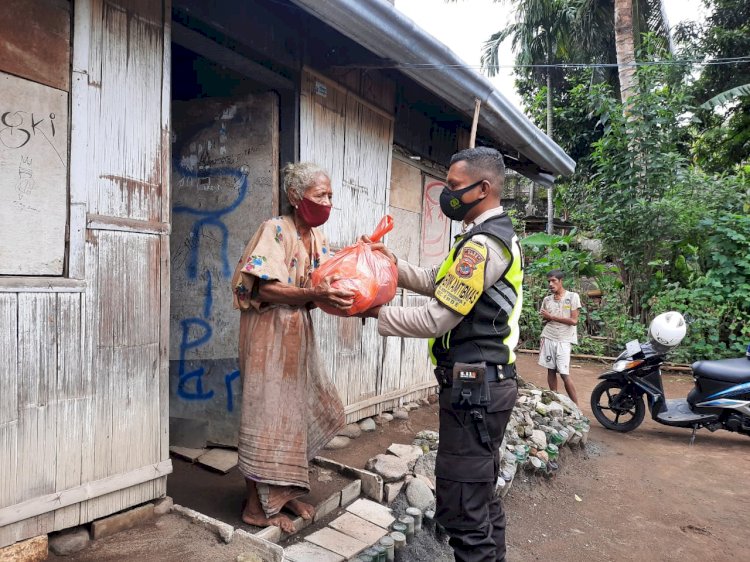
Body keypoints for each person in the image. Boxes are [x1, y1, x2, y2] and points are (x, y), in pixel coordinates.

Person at [362, 147, 523, 562]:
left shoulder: (483, 245)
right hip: (483, 388)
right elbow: (439, 281)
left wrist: (374, 311)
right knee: (480, 498)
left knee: (463, 509)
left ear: (482, 188)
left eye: (453, 187)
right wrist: (392, 265)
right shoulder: (486, 237)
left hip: (477, 390)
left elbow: (439, 318)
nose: (447, 195)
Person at [230, 162, 354, 532]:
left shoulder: (313, 237)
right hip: (267, 337)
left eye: (330, 195)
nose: (328, 202)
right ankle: (255, 507)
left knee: (295, 416)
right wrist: (312, 293)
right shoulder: (275, 230)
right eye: (321, 195)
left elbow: (329, 280)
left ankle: (283, 495)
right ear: (295, 197)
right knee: (267, 419)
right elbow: (262, 287)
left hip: (297, 337)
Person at [538, 269, 581, 405]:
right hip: (549, 336)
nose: (550, 284)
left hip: (564, 339)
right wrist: (546, 319)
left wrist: (551, 317)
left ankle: (576, 407)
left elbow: (574, 321)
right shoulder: (547, 300)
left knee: (564, 373)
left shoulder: (572, 297)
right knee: (551, 370)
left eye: (553, 281)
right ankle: (555, 401)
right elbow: (544, 321)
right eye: (549, 281)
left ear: (561, 281)